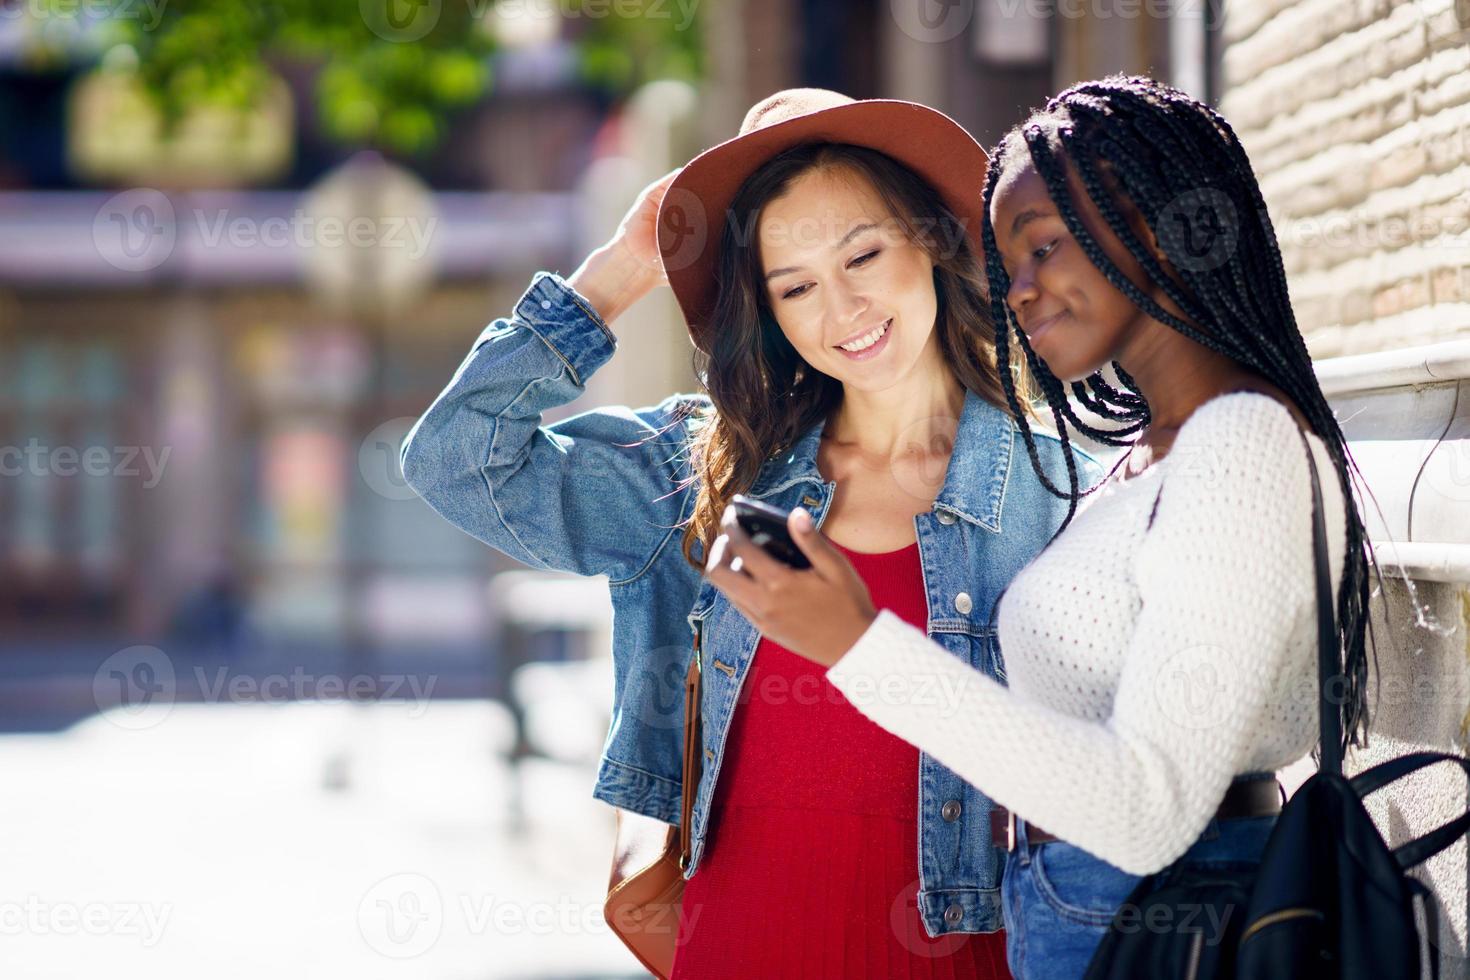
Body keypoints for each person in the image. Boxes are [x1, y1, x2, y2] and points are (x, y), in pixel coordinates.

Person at [402, 87, 1098, 977]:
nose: (841, 308)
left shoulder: (1059, 487)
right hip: (742, 943)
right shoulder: (699, 478)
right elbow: (455, 459)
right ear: (766, 313)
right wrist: (618, 271)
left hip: (966, 954)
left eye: (864, 255)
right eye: (795, 286)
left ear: (929, 238)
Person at [702, 75, 1372, 979]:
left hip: (1166, 924)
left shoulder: (1242, 445)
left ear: (1153, 232)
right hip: (1083, 914)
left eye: (1044, 247)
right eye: (1008, 262)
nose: (1018, 290)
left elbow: (1146, 810)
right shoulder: (1145, 459)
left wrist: (857, 643)